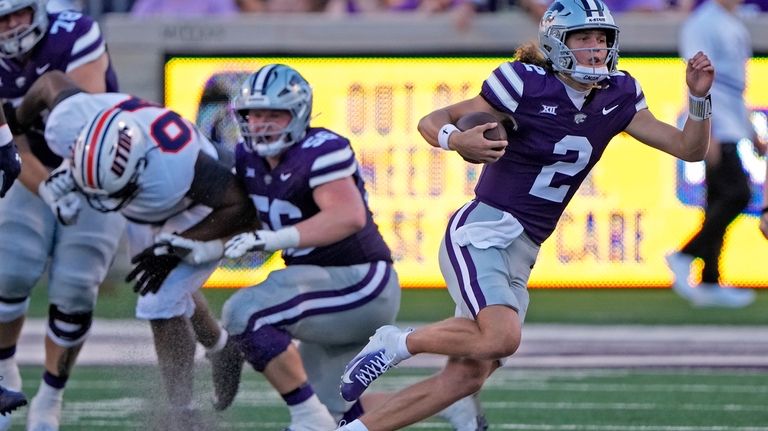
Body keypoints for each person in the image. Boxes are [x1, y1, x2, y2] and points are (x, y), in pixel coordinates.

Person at [336, 0, 714, 430]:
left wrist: (699, 99)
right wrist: (454, 139)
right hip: (483, 233)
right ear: (556, 42)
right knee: (502, 336)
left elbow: (689, 149)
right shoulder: (523, 83)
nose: (595, 49)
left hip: (525, 249)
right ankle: (397, 342)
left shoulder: (620, 93)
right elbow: (432, 119)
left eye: (601, 39)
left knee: (467, 375)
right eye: (583, 38)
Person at [16, 70, 255, 431]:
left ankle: (182, 414)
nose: (103, 203)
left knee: (159, 301)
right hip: (150, 205)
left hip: (200, 208)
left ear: (139, 168)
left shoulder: (175, 168)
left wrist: (178, 246)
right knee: (166, 292)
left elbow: (240, 208)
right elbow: (50, 82)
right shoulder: (70, 124)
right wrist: (17, 125)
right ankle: (223, 348)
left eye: (111, 193)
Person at [0, 2, 124, 430]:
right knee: (9, 271)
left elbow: (83, 125)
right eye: (3, 18)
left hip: (97, 166)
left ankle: (51, 396)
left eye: (20, 13)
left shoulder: (75, 33)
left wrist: (69, 183)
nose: (14, 25)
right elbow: (9, 141)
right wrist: (49, 188)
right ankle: (3, 373)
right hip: (25, 166)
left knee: (76, 288)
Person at [665, 0, 764, 308]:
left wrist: (749, 129)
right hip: (717, 124)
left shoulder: (733, 24)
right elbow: (697, 79)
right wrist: (710, 130)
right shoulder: (702, 21)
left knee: (719, 200)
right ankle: (684, 254)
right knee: (738, 195)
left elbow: (736, 88)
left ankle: (709, 279)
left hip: (733, 120)